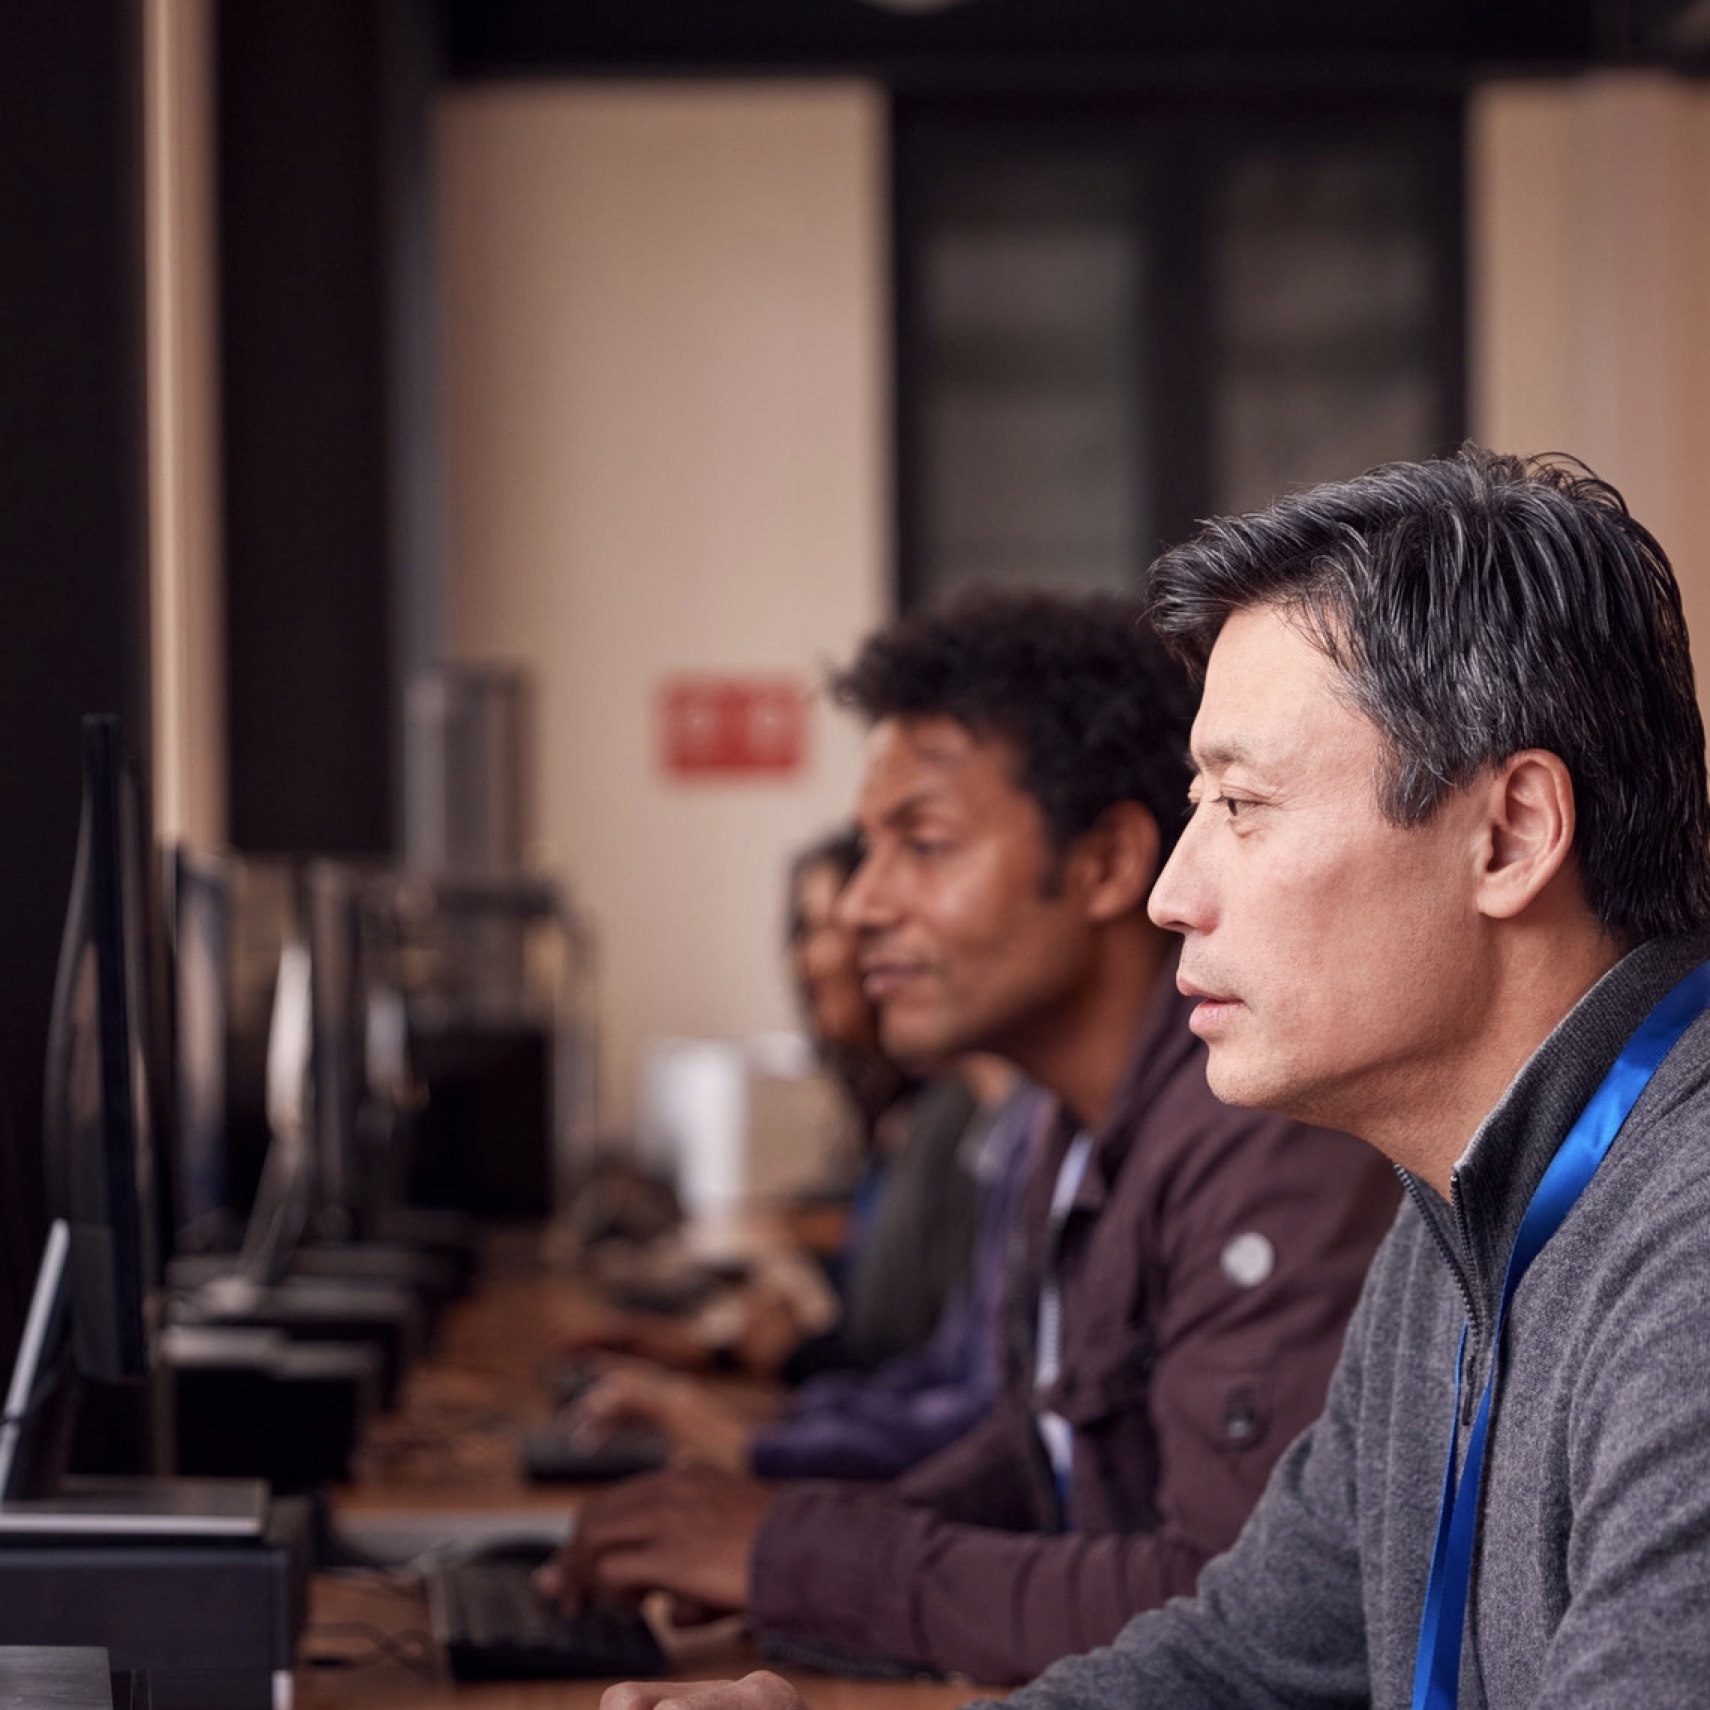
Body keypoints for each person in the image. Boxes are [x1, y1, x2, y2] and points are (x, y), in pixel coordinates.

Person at [612, 446, 1710, 1710]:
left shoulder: (1679, 1249)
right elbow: (1246, 1658)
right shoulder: (1461, 1217)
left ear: (1509, 833)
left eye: (1243, 806)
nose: (1172, 893)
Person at [543, 589, 1397, 1684]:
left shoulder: (1257, 1136)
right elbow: (1040, 1453)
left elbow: (1225, 1607)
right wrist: (777, 1550)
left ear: (1103, 867)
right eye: (868, 851)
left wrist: (803, 1558)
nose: (859, 909)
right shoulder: (1063, 1126)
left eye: (925, 846)